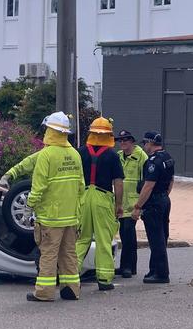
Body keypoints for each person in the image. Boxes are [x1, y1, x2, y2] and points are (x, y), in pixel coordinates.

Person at [24, 111, 85, 302]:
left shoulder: (47, 155)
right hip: (70, 216)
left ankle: (44, 292)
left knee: (48, 255)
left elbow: (39, 185)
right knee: (69, 254)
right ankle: (71, 289)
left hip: (51, 218)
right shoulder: (75, 154)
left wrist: (29, 206)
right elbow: (81, 187)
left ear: (50, 130)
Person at [75, 117, 124, 291]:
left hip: (83, 197)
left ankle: (71, 277)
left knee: (81, 239)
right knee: (104, 239)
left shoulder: (80, 152)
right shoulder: (112, 155)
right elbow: (118, 182)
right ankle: (103, 279)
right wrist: (119, 205)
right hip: (103, 198)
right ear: (108, 134)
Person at [132, 131, 175, 284]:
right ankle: (154, 270)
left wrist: (138, 206)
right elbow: (171, 180)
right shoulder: (167, 157)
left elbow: (148, 186)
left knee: (156, 239)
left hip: (155, 202)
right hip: (164, 199)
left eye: (145, 143)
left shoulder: (153, 161)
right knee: (162, 237)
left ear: (150, 143)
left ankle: (161, 274)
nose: (144, 146)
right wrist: (165, 195)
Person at [114, 130, 148, 278]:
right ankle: (128, 266)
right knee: (124, 233)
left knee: (128, 233)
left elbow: (147, 180)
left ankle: (127, 267)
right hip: (121, 202)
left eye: (126, 140)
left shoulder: (141, 156)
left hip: (134, 202)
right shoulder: (118, 156)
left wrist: (140, 204)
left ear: (132, 141)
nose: (122, 142)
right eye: (120, 140)